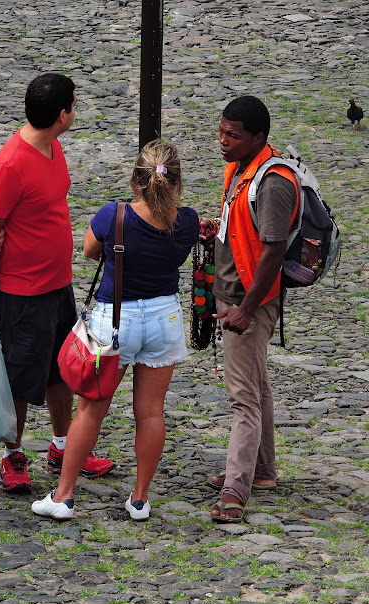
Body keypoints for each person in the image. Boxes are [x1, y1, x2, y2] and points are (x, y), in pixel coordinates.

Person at [31, 140, 200, 521]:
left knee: (91, 409)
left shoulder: (114, 215)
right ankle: (139, 500)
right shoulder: (187, 221)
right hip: (164, 319)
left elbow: (91, 250)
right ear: (176, 182)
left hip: (116, 320)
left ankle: (64, 496)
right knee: (151, 412)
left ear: (135, 180)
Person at [0, 72, 114, 493]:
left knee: (61, 371)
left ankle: (61, 447)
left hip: (57, 285)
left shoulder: (53, 147)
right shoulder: (9, 165)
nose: (77, 108)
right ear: (62, 114)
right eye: (75, 102)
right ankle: (12, 455)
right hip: (20, 292)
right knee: (20, 377)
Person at [204, 96, 299, 523]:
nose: (223, 141)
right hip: (237, 296)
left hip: (249, 303)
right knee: (256, 386)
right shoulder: (243, 168)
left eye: (233, 135)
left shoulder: (274, 183)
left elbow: (273, 252)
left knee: (242, 399)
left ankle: (234, 492)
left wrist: (246, 307)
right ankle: (261, 472)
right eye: (221, 131)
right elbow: (242, 228)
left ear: (258, 138)